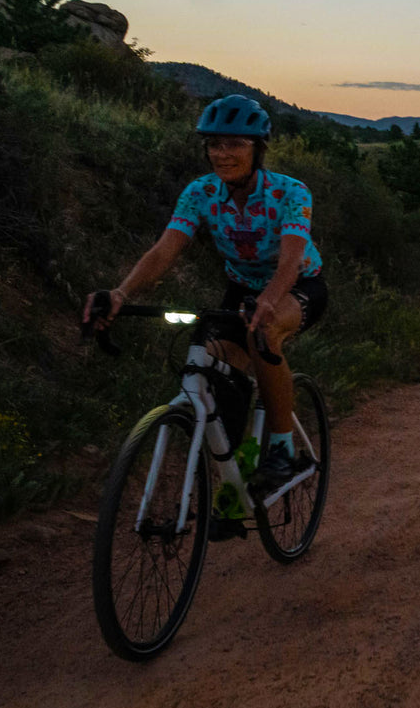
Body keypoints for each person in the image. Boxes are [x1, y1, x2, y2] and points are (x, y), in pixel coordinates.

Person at [82, 94, 327, 506]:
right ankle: (235, 475)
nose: (222, 153)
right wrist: (121, 293)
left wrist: (269, 298)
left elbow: (289, 259)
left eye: (235, 144)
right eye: (215, 144)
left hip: (298, 285)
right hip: (241, 288)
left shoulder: (291, 193)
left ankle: (283, 451)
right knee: (213, 365)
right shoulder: (200, 193)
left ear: (258, 149)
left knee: (263, 334)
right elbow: (163, 251)